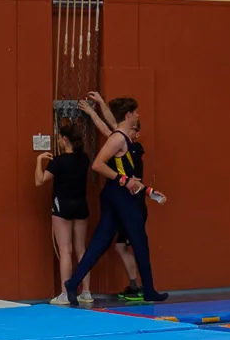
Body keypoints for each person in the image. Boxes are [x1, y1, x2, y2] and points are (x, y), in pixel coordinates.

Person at [63, 96, 165, 306]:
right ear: (128, 115)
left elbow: (111, 122)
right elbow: (98, 165)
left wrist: (146, 190)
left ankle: (73, 283)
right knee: (139, 241)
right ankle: (149, 290)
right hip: (120, 195)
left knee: (99, 244)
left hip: (117, 193)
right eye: (135, 113)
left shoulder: (121, 135)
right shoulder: (118, 138)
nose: (137, 116)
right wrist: (124, 180)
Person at [80, 91, 147, 298]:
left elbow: (112, 129)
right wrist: (97, 106)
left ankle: (138, 286)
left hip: (131, 200)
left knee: (126, 245)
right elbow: (112, 127)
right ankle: (137, 285)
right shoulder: (124, 140)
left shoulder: (132, 146)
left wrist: (94, 111)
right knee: (121, 246)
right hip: (126, 199)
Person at [36, 122, 92, 306]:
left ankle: (65, 293)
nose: (58, 141)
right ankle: (86, 292)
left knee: (65, 250)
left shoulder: (58, 162)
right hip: (81, 205)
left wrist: (39, 161)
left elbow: (39, 181)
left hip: (63, 207)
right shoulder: (84, 159)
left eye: (59, 138)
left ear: (65, 139)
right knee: (81, 249)